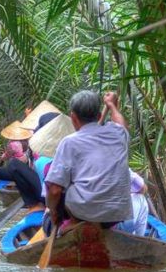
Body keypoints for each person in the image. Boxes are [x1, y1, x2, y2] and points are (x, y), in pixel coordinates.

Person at [43, 90, 131, 235]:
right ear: (98, 116)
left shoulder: (69, 142)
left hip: (83, 212)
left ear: (73, 117)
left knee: (57, 185)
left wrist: (52, 211)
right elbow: (121, 124)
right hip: (117, 213)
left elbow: (55, 190)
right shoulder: (118, 134)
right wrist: (112, 106)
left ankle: (74, 223)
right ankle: (95, 227)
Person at [0, 121, 41, 208]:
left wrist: (2, 158)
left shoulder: (13, 144)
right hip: (29, 166)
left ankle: (17, 184)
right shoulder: (29, 141)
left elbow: (6, 156)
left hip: (17, 167)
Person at [115, 170, 150, 236]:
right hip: (114, 226)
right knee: (140, 197)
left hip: (93, 222)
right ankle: (139, 239)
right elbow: (142, 188)